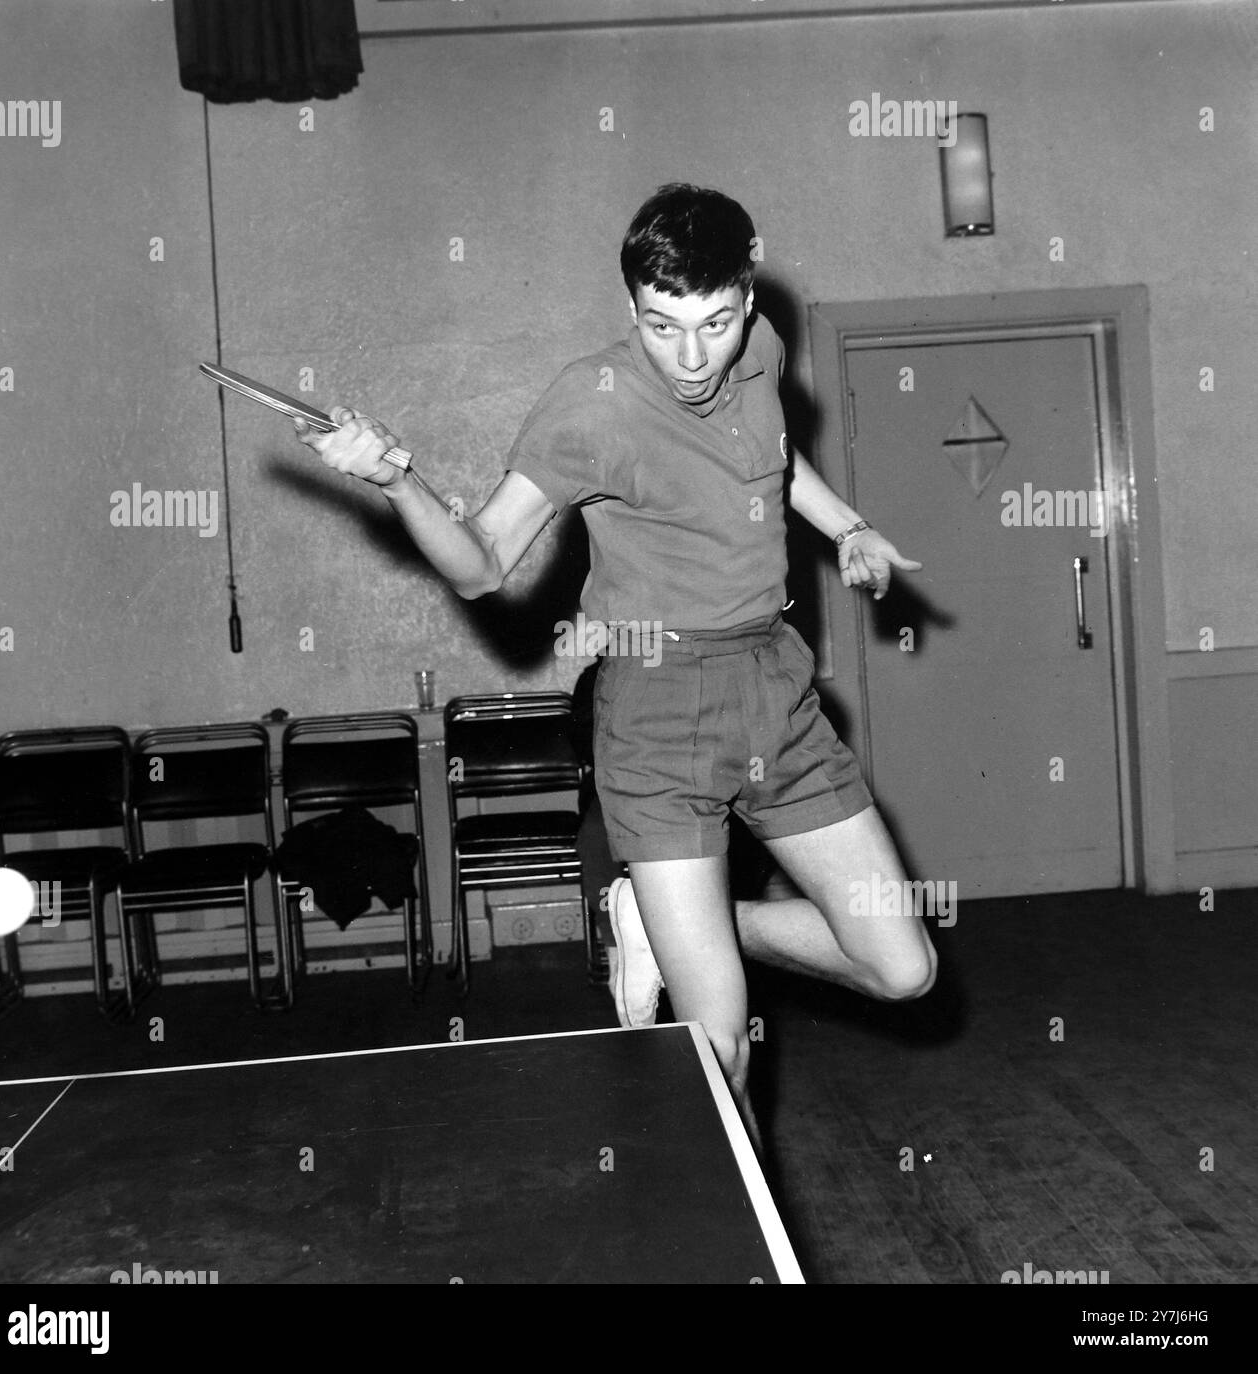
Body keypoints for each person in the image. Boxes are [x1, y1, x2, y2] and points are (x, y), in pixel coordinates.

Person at [295, 184, 937, 1144]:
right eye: (660, 324)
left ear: (750, 300)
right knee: (721, 1054)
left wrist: (851, 527)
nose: (690, 357)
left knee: (904, 967)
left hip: (775, 686)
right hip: (657, 706)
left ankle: (671, 915)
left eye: (714, 323)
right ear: (628, 306)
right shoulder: (587, 408)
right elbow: (480, 567)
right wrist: (395, 479)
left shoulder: (760, 354)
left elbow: (773, 454)